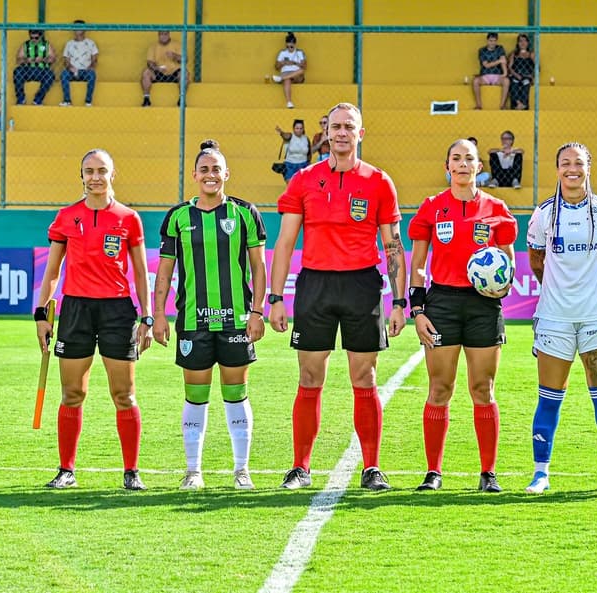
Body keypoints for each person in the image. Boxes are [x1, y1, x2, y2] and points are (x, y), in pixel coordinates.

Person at [268, 102, 407, 491]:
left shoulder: (379, 181)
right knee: (310, 375)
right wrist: (275, 296)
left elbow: (393, 245)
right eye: (335, 127)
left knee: (365, 376)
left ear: (360, 133)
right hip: (315, 285)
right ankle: (300, 467)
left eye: (349, 126)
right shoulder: (304, 180)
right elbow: (285, 242)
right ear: (326, 133)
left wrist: (399, 302)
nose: (341, 133)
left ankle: (372, 467)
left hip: (362, 285)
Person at [34, 148, 153, 491]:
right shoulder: (66, 216)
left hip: (117, 311)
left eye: (102, 170)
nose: (96, 177)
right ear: (81, 176)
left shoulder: (129, 218)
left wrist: (145, 316)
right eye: (89, 171)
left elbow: (142, 274)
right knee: (72, 392)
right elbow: (53, 270)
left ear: (112, 175)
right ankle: (66, 470)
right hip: (76, 311)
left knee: (124, 394)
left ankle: (131, 472)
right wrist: (42, 314)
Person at [153, 139, 267, 491]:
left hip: (235, 320)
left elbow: (259, 268)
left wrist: (257, 311)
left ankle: (241, 470)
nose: (210, 175)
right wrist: (158, 315)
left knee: (236, 394)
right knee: (195, 396)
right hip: (192, 322)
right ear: (194, 175)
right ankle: (193, 471)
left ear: (226, 174)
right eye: (204, 169)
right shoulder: (177, 217)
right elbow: (164, 273)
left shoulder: (245, 214)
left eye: (216, 169)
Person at [408, 138, 517, 493]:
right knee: (440, 387)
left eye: (469, 158)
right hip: (442, 304)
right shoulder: (432, 208)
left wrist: (502, 286)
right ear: (447, 167)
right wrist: (418, 309)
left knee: (482, 388)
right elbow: (418, 265)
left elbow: (509, 261)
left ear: (479, 167)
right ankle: (433, 472)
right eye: (456, 158)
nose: (463, 164)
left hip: (483, 305)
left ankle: (488, 473)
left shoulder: (497, 208)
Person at [523, 142, 597, 495]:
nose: (572, 169)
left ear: (588, 168)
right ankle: (541, 473)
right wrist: (560, 293)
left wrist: (593, 291)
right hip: (555, 319)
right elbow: (536, 261)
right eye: (565, 163)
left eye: (578, 163)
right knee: (549, 398)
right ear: (556, 169)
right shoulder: (542, 215)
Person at [141, 31, 188, 107]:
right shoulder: (153, 47)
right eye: (161, 34)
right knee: (146, 72)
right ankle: (146, 99)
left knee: (184, 73)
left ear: (169, 35)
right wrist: (157, 68)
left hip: (174, 73)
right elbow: (149, 62)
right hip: (159, 72)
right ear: (158, 36)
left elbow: (184, 60)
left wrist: (174, 56)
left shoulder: (177, 45)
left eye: (165, 34)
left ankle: (181, 99)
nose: (163, 36)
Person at [60, 20, 99, 107]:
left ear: (85, 29)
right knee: (64, 74)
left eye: (80, 27)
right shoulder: (69, 44)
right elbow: (66, 60)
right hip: (72, 71)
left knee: (92, 75)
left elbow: (95, 59)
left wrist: (91, 67)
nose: (77, 29)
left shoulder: (90, 43)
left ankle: (88, 102)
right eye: (75, 27)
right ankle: (67, 101)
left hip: (86, 71)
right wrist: (70, 67)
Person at [13, 29, 56, 106]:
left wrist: (43, 59)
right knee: (17, 72)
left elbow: (53, 59)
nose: (33, 40)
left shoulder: (46, 44)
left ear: (40, 36)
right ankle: (21, 98)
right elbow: (18, 60)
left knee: (50, 75)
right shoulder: (26, 45)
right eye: (31, 38)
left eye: (36, 38)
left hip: (42, 70)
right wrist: (26, 60)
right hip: (27, 70)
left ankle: (38, 99)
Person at [472, 32, 509, 110]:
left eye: (494, 41)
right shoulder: (482, 50)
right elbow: (486, 65)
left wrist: (505, 73)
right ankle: (479, 105)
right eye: (491, 40)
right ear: (487, 40)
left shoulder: (500, 48)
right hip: (485, 75)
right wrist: (499, 61)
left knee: (506, 81)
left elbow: (503, 61)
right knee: (475, 81)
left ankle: (502, 105)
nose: (493, 43)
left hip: (497, 75)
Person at [270, 32, 306, 109]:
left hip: (297, 75)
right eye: (287, 47)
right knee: (287, 79)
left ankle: (281, 79)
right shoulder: (282, 53)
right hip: (285, 73)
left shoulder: (299, 52)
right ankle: (289, 102)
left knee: (301, 71)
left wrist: (294, 62)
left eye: (291, 47)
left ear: (295, 45)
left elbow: (304, 66)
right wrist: (283, 63)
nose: (289, 49)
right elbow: (276, 67)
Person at [508, 33, 535, 110]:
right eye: (520, 41)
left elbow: (537, 67)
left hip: (527, 75)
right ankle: (517, 104)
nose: (523, 43)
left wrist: (532, 76)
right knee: (514, 83)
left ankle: (523, 105)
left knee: (526, 83)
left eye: (525, 41)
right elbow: (509, 67)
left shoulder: (531, 54)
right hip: (515, 75)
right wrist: (516, 74)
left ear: (528, 43)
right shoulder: (514, 54)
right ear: (517, 43)